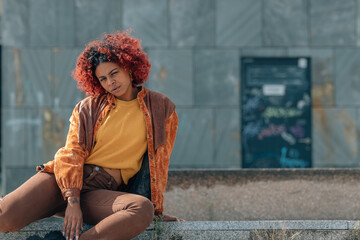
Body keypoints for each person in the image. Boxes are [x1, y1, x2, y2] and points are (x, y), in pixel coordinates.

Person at [0, 30, 182, 240]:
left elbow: (159, 162)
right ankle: (47, 204)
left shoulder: (161, 107)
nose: (110, 82)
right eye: (102, 79)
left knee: (142, 209)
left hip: (101, 192)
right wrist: (72, 201)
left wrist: (157, 210)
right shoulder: (89, 107)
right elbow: (72, 153)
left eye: (114, 73)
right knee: (5, 219)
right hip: (63, 182)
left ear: (129, 68)